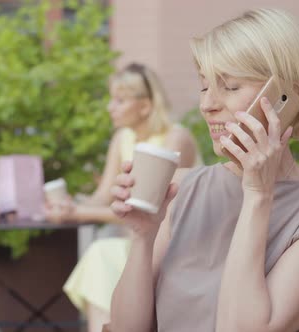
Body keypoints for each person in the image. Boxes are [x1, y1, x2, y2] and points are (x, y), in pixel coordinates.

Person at [109, 9, 299, 332]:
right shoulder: (181, 188)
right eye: (204, 87)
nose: (207, 105)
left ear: (286, 98)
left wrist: (258, 194)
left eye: (229, 86)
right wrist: (143, 236)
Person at [46, 63, 201, 332]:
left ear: (145, 106)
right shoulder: (122, 138)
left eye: (120, 100)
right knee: (101, 256)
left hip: (175, 246)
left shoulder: (176, 139)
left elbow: (147, 209)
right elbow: (103, 196)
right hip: (141, 243)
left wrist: (79, 214)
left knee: (101, 254)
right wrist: (71, 205)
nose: (110, 107)